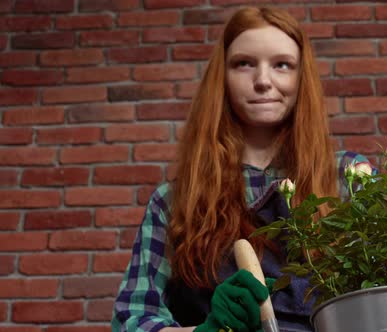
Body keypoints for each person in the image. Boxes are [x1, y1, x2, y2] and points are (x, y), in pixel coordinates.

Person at [111, 6, 372, 332]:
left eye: (282, 65)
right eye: (244, 64)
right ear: (223, 77)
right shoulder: (175, 201)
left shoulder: (347, 177)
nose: (263, 81)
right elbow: (131, 322)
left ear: (301, 77)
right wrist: (207, 331)